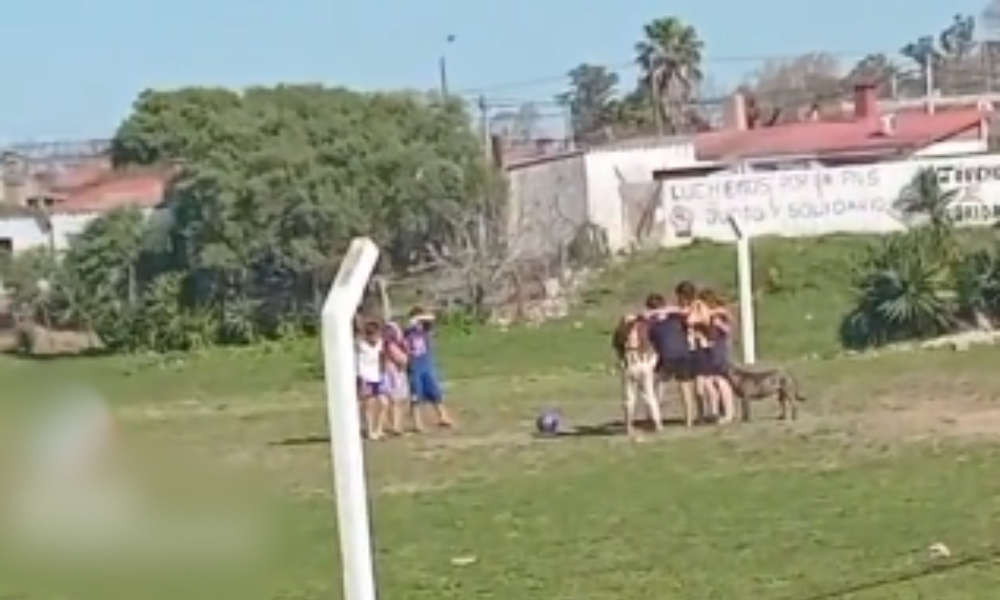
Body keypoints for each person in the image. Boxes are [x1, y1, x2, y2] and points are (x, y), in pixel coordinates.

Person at [645, 287, 699, 428]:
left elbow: (653, 343)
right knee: (685, 386)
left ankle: (655, 418)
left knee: (659, 385)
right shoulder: (676, 317)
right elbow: (685, 314)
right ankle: (689, 420)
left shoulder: (651, 324)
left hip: (667, 355)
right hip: (683, 353)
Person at [404, 307, 454, 431]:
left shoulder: (425, 330)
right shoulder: (408, 332)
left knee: (435, 392)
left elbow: (432, 318)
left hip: (427, 365)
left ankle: (443, 417)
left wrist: (423, 319)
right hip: (415, 367)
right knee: (416, 395)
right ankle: (417, 423)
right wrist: (415, 320)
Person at [698, 288, 736, 424]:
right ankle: (716, 412)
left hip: (720, 350)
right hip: (710, 350)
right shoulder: (706, 314)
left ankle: (729, 413)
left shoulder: (719, 313)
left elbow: (729, 330)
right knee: (710, 381)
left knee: (721, 381)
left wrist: (720, 324)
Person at [355, 320, 389, 440]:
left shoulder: (379, 343)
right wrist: (361, 380)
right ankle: (369, 431)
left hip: (376, 377)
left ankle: (378, 429)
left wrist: (383, 372)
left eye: (377, 334)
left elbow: (381, 357)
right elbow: (357, 363)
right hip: (365, 378)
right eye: (372, 334)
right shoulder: (361, 345)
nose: (375, 337)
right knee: (368, 405)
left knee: (384, 403)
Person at [382, 318, 411, 435]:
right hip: (393, 374)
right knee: (394, 401)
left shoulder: (397, 344)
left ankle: (394, 425)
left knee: (396, 401)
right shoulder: (390, 345)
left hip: (397, 374)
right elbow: (402, 360)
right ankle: (394, 426)